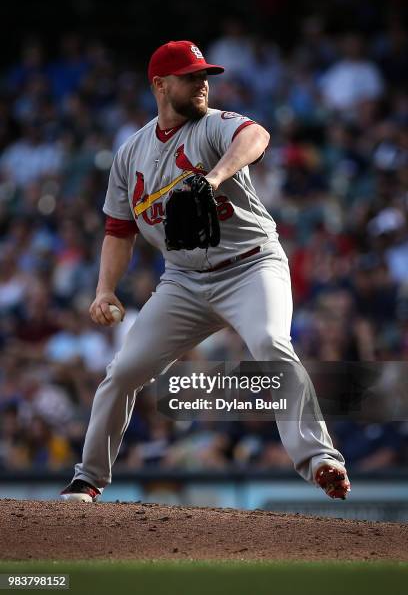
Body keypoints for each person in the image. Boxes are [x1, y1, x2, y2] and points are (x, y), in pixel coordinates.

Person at [61, 40, 350, 502]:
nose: (202, 85)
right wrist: (105, 288)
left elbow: (257, 137)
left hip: (251, 265)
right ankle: (88, 479)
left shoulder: (214, 126)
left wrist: (214, 178)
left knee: (271, 344)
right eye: (190, 77)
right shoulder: (129, 154)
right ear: (160, 85)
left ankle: (320, 459)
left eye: (204, 77)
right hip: (184, 281)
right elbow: (118, 229)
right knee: (123, 371)